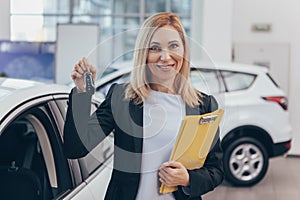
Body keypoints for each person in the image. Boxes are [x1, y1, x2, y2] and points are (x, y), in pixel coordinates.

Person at [63, 12, 224, 200]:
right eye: (155, 48)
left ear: (183, 51)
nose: (165, 57)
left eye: (173, 46)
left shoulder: (203, 105)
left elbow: (216, 170)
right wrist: (83, 92)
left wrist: (188, 178)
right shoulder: (122, 98)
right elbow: (75, 148)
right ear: (143, 54)